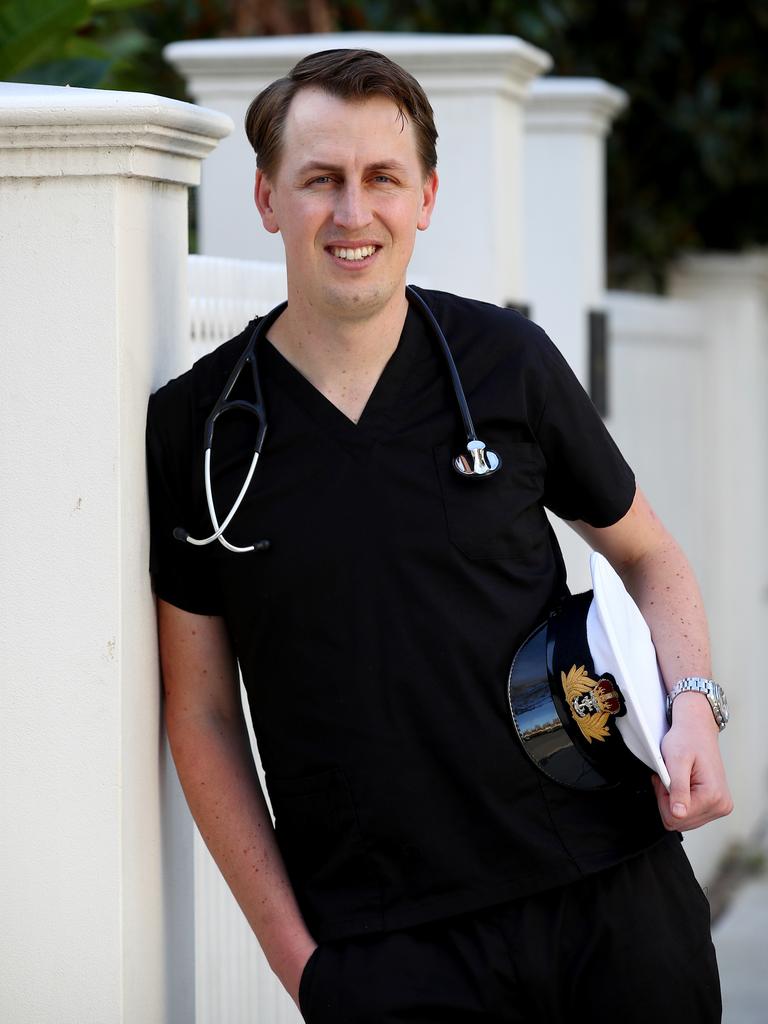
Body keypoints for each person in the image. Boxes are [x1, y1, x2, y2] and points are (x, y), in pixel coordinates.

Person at [146, 48, 732, 1023]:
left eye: (382, 179)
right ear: (265, 197)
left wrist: (696, 705)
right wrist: (306, 968)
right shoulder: (201, 431)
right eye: (320, 180)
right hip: (391, 951)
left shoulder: (504, 363)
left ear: (425, 196)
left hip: (612, 903)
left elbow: (648, 553)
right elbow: (201, 711)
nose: (352, 212)